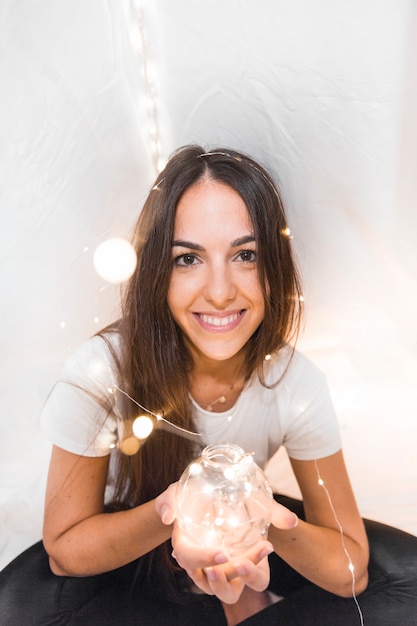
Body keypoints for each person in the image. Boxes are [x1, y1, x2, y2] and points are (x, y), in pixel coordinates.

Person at [1, 145, 416, 626]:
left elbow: (349, 571)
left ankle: (239, 604)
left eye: (245, 254)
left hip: (245, 515)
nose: (220, 291)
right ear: (158, 272)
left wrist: (258, 516)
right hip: (135, 541)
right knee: (22, 612)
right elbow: (65, 551)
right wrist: (176, 509)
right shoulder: (100, 373)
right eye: (188, 260)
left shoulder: (294, 382)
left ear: (272, 266)